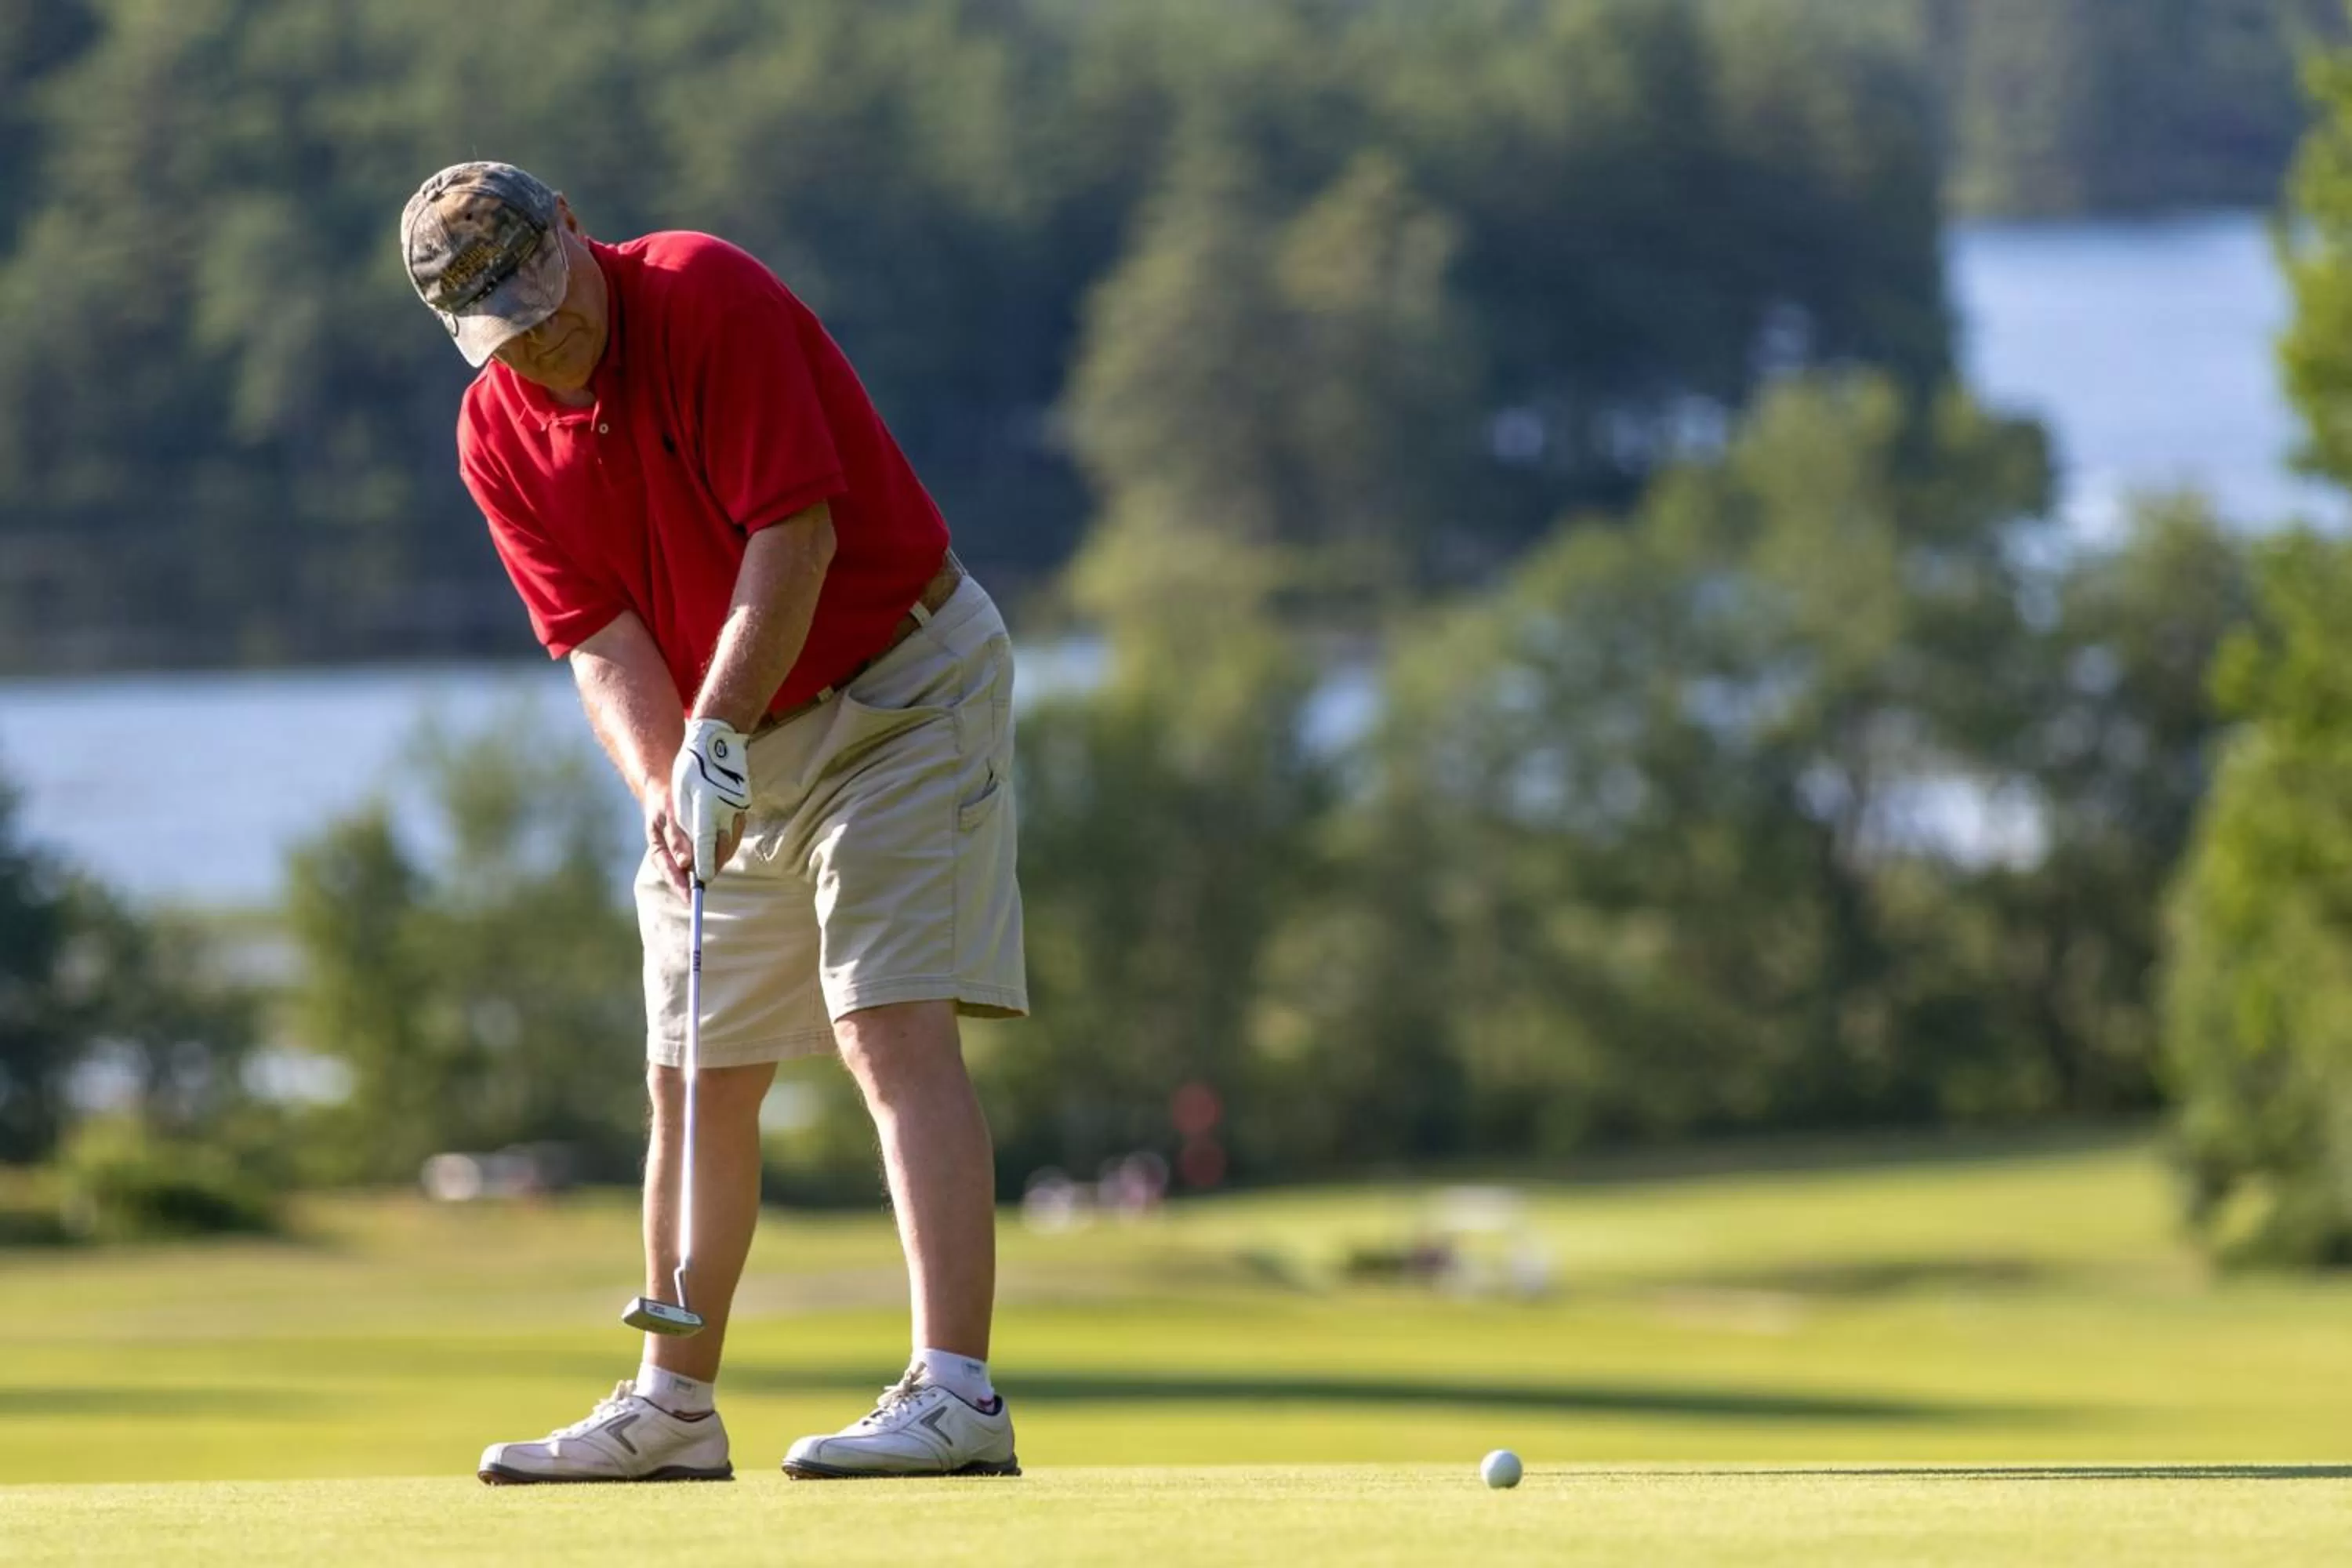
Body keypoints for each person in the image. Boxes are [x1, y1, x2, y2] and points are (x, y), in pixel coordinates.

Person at [399, 162, 1025, 1484]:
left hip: (898, 686)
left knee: (885, 1019)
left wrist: (717, 741)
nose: (545, 339)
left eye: (547, 297)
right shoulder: (495, 435)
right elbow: (596, 637)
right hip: (726, 737)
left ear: (575, 230)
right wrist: (663, 793)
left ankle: (956, 1392)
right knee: (691, 1069)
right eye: (504, 327)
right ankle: (674, 1406)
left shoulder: (701, 292)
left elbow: (789, 540)